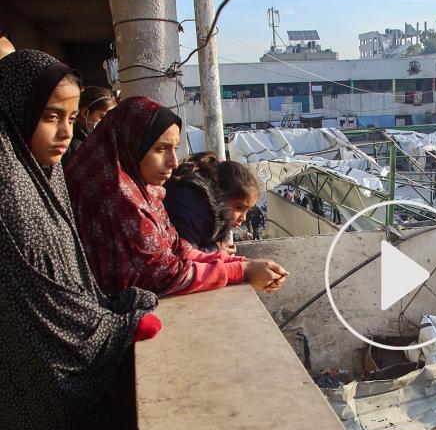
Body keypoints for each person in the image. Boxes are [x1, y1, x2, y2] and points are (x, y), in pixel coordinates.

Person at [0, 49, 161, 430]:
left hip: (73, 414)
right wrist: (116, 327)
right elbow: (32, 307)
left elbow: (70, 284)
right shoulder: (7, 190)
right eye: (51, 116)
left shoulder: (43, 178)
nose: (66, 132)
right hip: (37, 413)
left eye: (71, 117)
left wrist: (109, 313)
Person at [64, 96, 287, 297]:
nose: (173, 162)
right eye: (161, 149)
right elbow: (165, 276)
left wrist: (238, 262)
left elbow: (177, 249)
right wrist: (241, 270)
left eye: (175, 148)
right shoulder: (117, 197)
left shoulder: (145, 192)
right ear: (130, 143)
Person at [164, 152, 259, 252]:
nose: (243, 218)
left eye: (247, 210)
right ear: (220, 197)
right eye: (239, 207)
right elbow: (183, 256)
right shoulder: (193, 211)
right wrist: (216, 251)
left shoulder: (208, 215)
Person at [64, 86, 115, 161]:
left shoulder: (95, 140)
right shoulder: (75, 146)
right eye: (103, 117)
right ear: (85, 113)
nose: (108, 123)